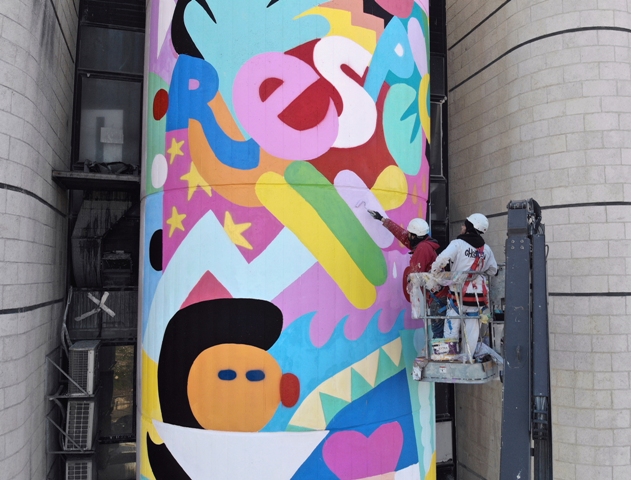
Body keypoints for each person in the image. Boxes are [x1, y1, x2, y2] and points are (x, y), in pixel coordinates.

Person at [430, 213, 497, 360]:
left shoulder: (458, 244)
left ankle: (451, 357)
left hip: (457, 295)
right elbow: (493, 270)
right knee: (472, 331)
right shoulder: (486, 249)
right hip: (477, 298)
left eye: (464, 225)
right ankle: (467, 359)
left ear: (469, 227)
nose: (462, 227)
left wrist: (435, 274)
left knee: (452, 328)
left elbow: (442, 259)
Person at [367, 210, 440, 303]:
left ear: (414, 236)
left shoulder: (423, 248)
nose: (407, 234)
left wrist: (410, 286)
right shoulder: (422, 242)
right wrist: (382, 219)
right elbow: (401, 234)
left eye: (409, 233)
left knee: (428, 312)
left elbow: (415, 273)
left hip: (431, 295)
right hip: (431, 292)